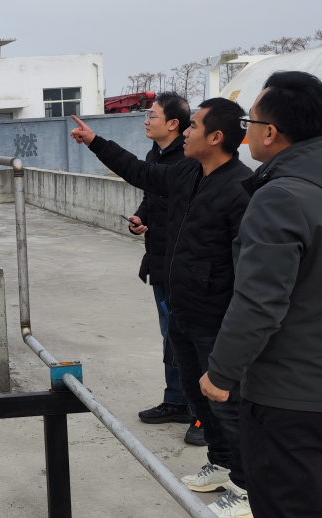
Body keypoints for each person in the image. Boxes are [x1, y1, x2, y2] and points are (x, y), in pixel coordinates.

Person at [201, 71, 322, 518]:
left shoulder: (280, 196)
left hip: (290, 391)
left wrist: (220, 373)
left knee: (287, 501)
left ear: (271, 132)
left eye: (250, 121)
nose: (246, 131)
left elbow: (259, 303)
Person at [71, 98, 254, 517]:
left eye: (194, 126)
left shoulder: (241, 188)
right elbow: (139, 172)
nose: (186, 132)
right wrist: (96, 142)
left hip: (216, 316)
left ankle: (246, 488)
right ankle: (221, 463)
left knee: (228, 404)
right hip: (183, 307)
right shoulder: (188, 171)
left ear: (216, 137)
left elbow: (250, 269)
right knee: (197, 394)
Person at [125, 93, 205, 447]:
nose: (147, 120)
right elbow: (150, 196)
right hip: (160, 260)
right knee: (171, 335)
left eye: (152, 115)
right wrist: (141, 219)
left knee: (191, 337)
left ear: (173, 123)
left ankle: (203, 413)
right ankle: (177, 401)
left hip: (183, 264)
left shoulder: (186, 161)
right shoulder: (154, 156)